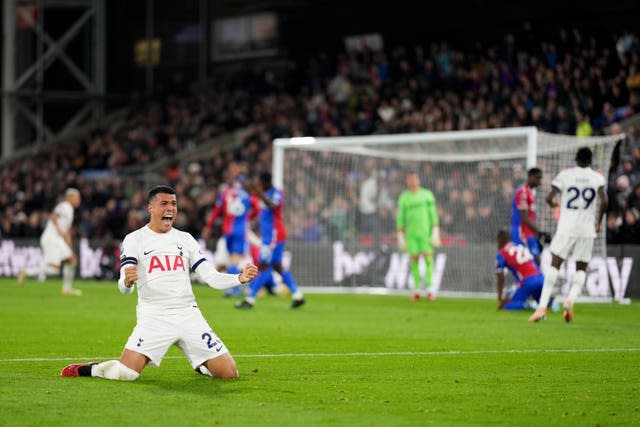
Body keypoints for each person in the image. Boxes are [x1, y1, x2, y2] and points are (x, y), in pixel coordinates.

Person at [60, 185, 258, 381]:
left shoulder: (185, 239)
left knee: (229, 374)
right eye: (164, 203)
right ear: (151, 208)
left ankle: (203, 365)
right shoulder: (134, 239)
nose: (170, 208)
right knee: (126, 374)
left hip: (188, 314)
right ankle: (92, 369)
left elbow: (211, 277)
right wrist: (127, 282)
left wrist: (238, 278)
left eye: (173, 203)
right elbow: (123, 287)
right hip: (155, 317)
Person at [529, 147, 608, 323]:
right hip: (586, 229)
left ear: (576, 159)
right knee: (581, 268)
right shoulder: (597, 177)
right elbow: (604, 201)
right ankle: (570, 300)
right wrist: (598, 221)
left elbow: (549, 197)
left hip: (566, 227)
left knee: (555, 264)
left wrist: (555, 204)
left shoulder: (565, 175)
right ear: (590, 160)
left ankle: (542, 307)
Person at [235, 172, 305, 309]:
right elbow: (251, 192)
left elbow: (273, 206)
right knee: (277, 266)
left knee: (263, 265)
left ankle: (250, 300)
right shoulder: (263, 193)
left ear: (266, 182)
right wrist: (244, 183)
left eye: (260, 183)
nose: (259, 186)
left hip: (274, 236)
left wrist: (260, 194)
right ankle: (297, 295)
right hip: (269, 237)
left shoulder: (276, 193)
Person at [17, 188, 83, 296]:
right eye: (77, 197)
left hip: (57, 239)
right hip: (51, 238)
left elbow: (66, 233)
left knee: (71, 261)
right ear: (70, 197)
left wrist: (70, 249)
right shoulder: (64, 206)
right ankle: (26, 271)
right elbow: (53, 217)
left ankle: (66, 290)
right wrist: (59, 230)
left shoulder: (70, 210)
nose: (79, 200)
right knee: (54, 269)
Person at [201, 177, 258, 297]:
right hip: (240, 231)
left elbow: (216, 211)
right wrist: (249, 217)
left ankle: (232, 288)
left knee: (230, 259)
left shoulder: (225, 194)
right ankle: (235, 289)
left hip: (227, 230)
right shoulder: (247, 196)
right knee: (234, 259)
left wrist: (209, 226)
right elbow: (257, 208)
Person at [396, 171, 441, 301]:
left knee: (428, 260)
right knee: (414, 260)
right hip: (411, 235)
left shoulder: (427, 195)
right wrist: (400, 234)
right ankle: (416, 290)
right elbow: (400, 217)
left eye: (415, 179)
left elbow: (433, 213)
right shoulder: (404, 198)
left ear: (418, 180)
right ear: (407, 182)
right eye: (410, 179)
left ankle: (430, 290)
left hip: (425, 234)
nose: (413, 182)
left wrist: (435, 229)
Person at [495, 229, 545, 311]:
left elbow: (500, 276)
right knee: (542, 302)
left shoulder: (502, 253)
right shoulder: (520, 245)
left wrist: (500, 298)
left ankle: (529, 305)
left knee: (507, 306)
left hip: (528, 281)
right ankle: (548, 302)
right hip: (541, 278)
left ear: (499, 241)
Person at [511, 167, 544, 265]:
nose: (539, 181)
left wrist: (536, 233)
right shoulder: (522, 192)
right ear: (530, 176)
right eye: (537, 178)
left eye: (540, 178)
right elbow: (524, 217)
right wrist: (538, 231)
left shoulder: (529, 192)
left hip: (529, 233)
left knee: (536, 261)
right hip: (521, 232)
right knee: (525, 262)